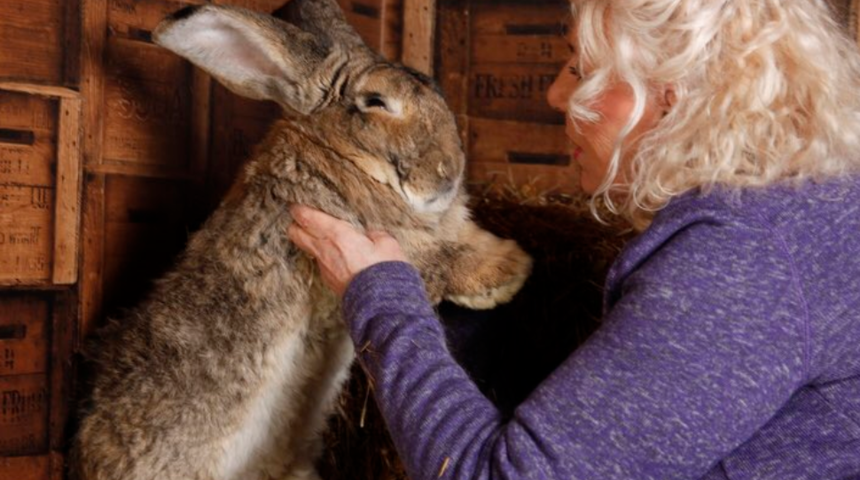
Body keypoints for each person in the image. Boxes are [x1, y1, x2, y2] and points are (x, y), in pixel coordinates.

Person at [287, 0, 860, 478]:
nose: (556, 96)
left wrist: (377, 295)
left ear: (672, 94)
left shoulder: (742, 259)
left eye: (580, 69)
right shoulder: (813, 202)